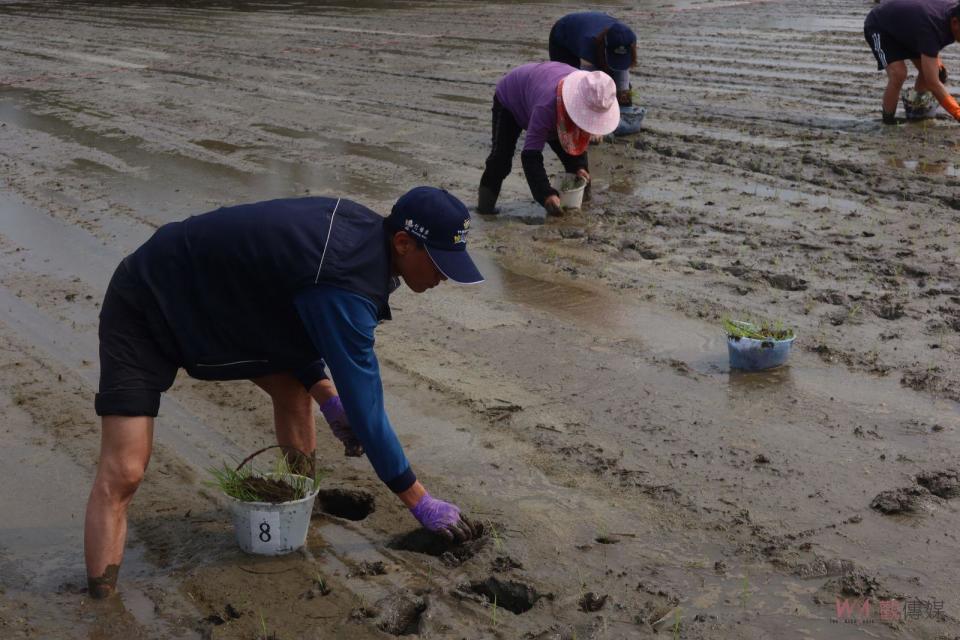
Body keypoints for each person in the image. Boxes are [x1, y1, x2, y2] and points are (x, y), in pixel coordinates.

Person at [85, 187, 483, 598]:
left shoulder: (366, 244)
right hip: (146, 301)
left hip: (219, 307)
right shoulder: (345, 277)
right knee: (125, 470)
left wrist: (328, 399)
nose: (444, 277)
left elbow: (284, 312)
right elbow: (368, 409)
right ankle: (100, 600)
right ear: (403, 242)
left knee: (296, 393)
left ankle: (293, 516)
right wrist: (419, 500)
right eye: (439, 264)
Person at [476, 63, 620, 217]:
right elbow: (531, 156)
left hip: (542, 90)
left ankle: (581, 205)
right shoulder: (546, 107)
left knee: (578, 171)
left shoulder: (593, 91)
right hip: (511, 98)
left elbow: (576, 141)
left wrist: (579, 166)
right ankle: (485, 210)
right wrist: (545, 194)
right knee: (501, 160)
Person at [864, 0, 960, 124]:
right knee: (899, 74)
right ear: (955, 22)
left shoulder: (953, 11)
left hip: (912, 28)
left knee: (937, 72)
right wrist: (957, 112)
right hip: (880, 26)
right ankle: (888, 121)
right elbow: (933, 83)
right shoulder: (934, 26)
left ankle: (917, 112)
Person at [548, 12, 637, 106]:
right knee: (569, 88)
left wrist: (623, 93)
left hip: (592, 26)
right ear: (605, 48)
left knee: (621, 91)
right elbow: (585, 80)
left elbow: (622, 75)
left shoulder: (629, 39)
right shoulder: (587, 46)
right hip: (563, 36)